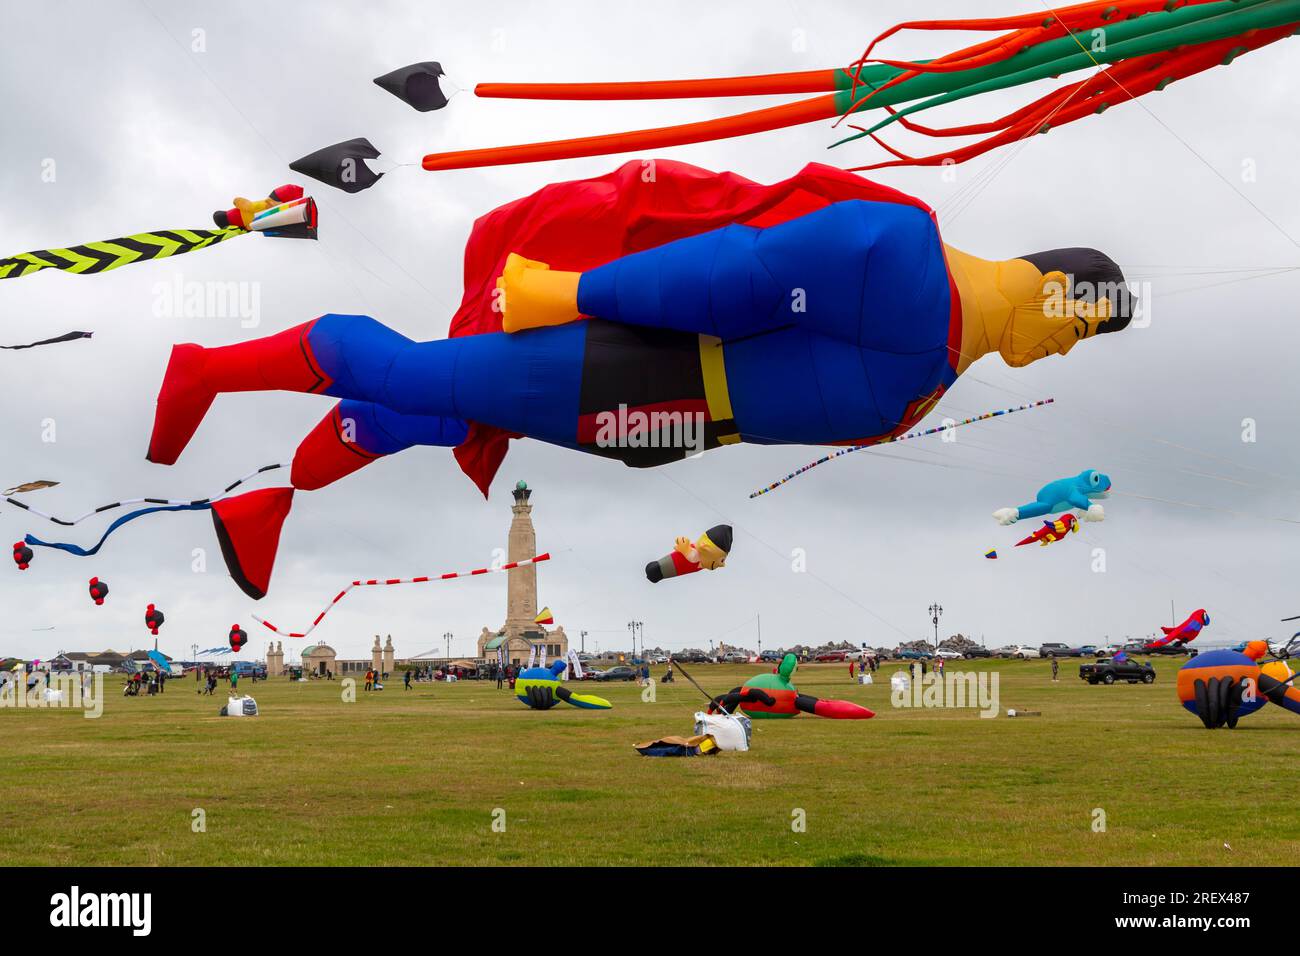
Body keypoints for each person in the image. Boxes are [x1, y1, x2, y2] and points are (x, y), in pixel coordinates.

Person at [144, 164, 1134, 603]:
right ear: (1053, 288)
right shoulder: (902, 255)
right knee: (414, 373)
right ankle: (207, 370)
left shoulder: (941, 359)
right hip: (626, 368)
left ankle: (269, 504)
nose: (1066, 349)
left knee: (450, 410)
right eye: (1078, 326)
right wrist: (568, 288)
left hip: (666, 420)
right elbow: (734, 274)